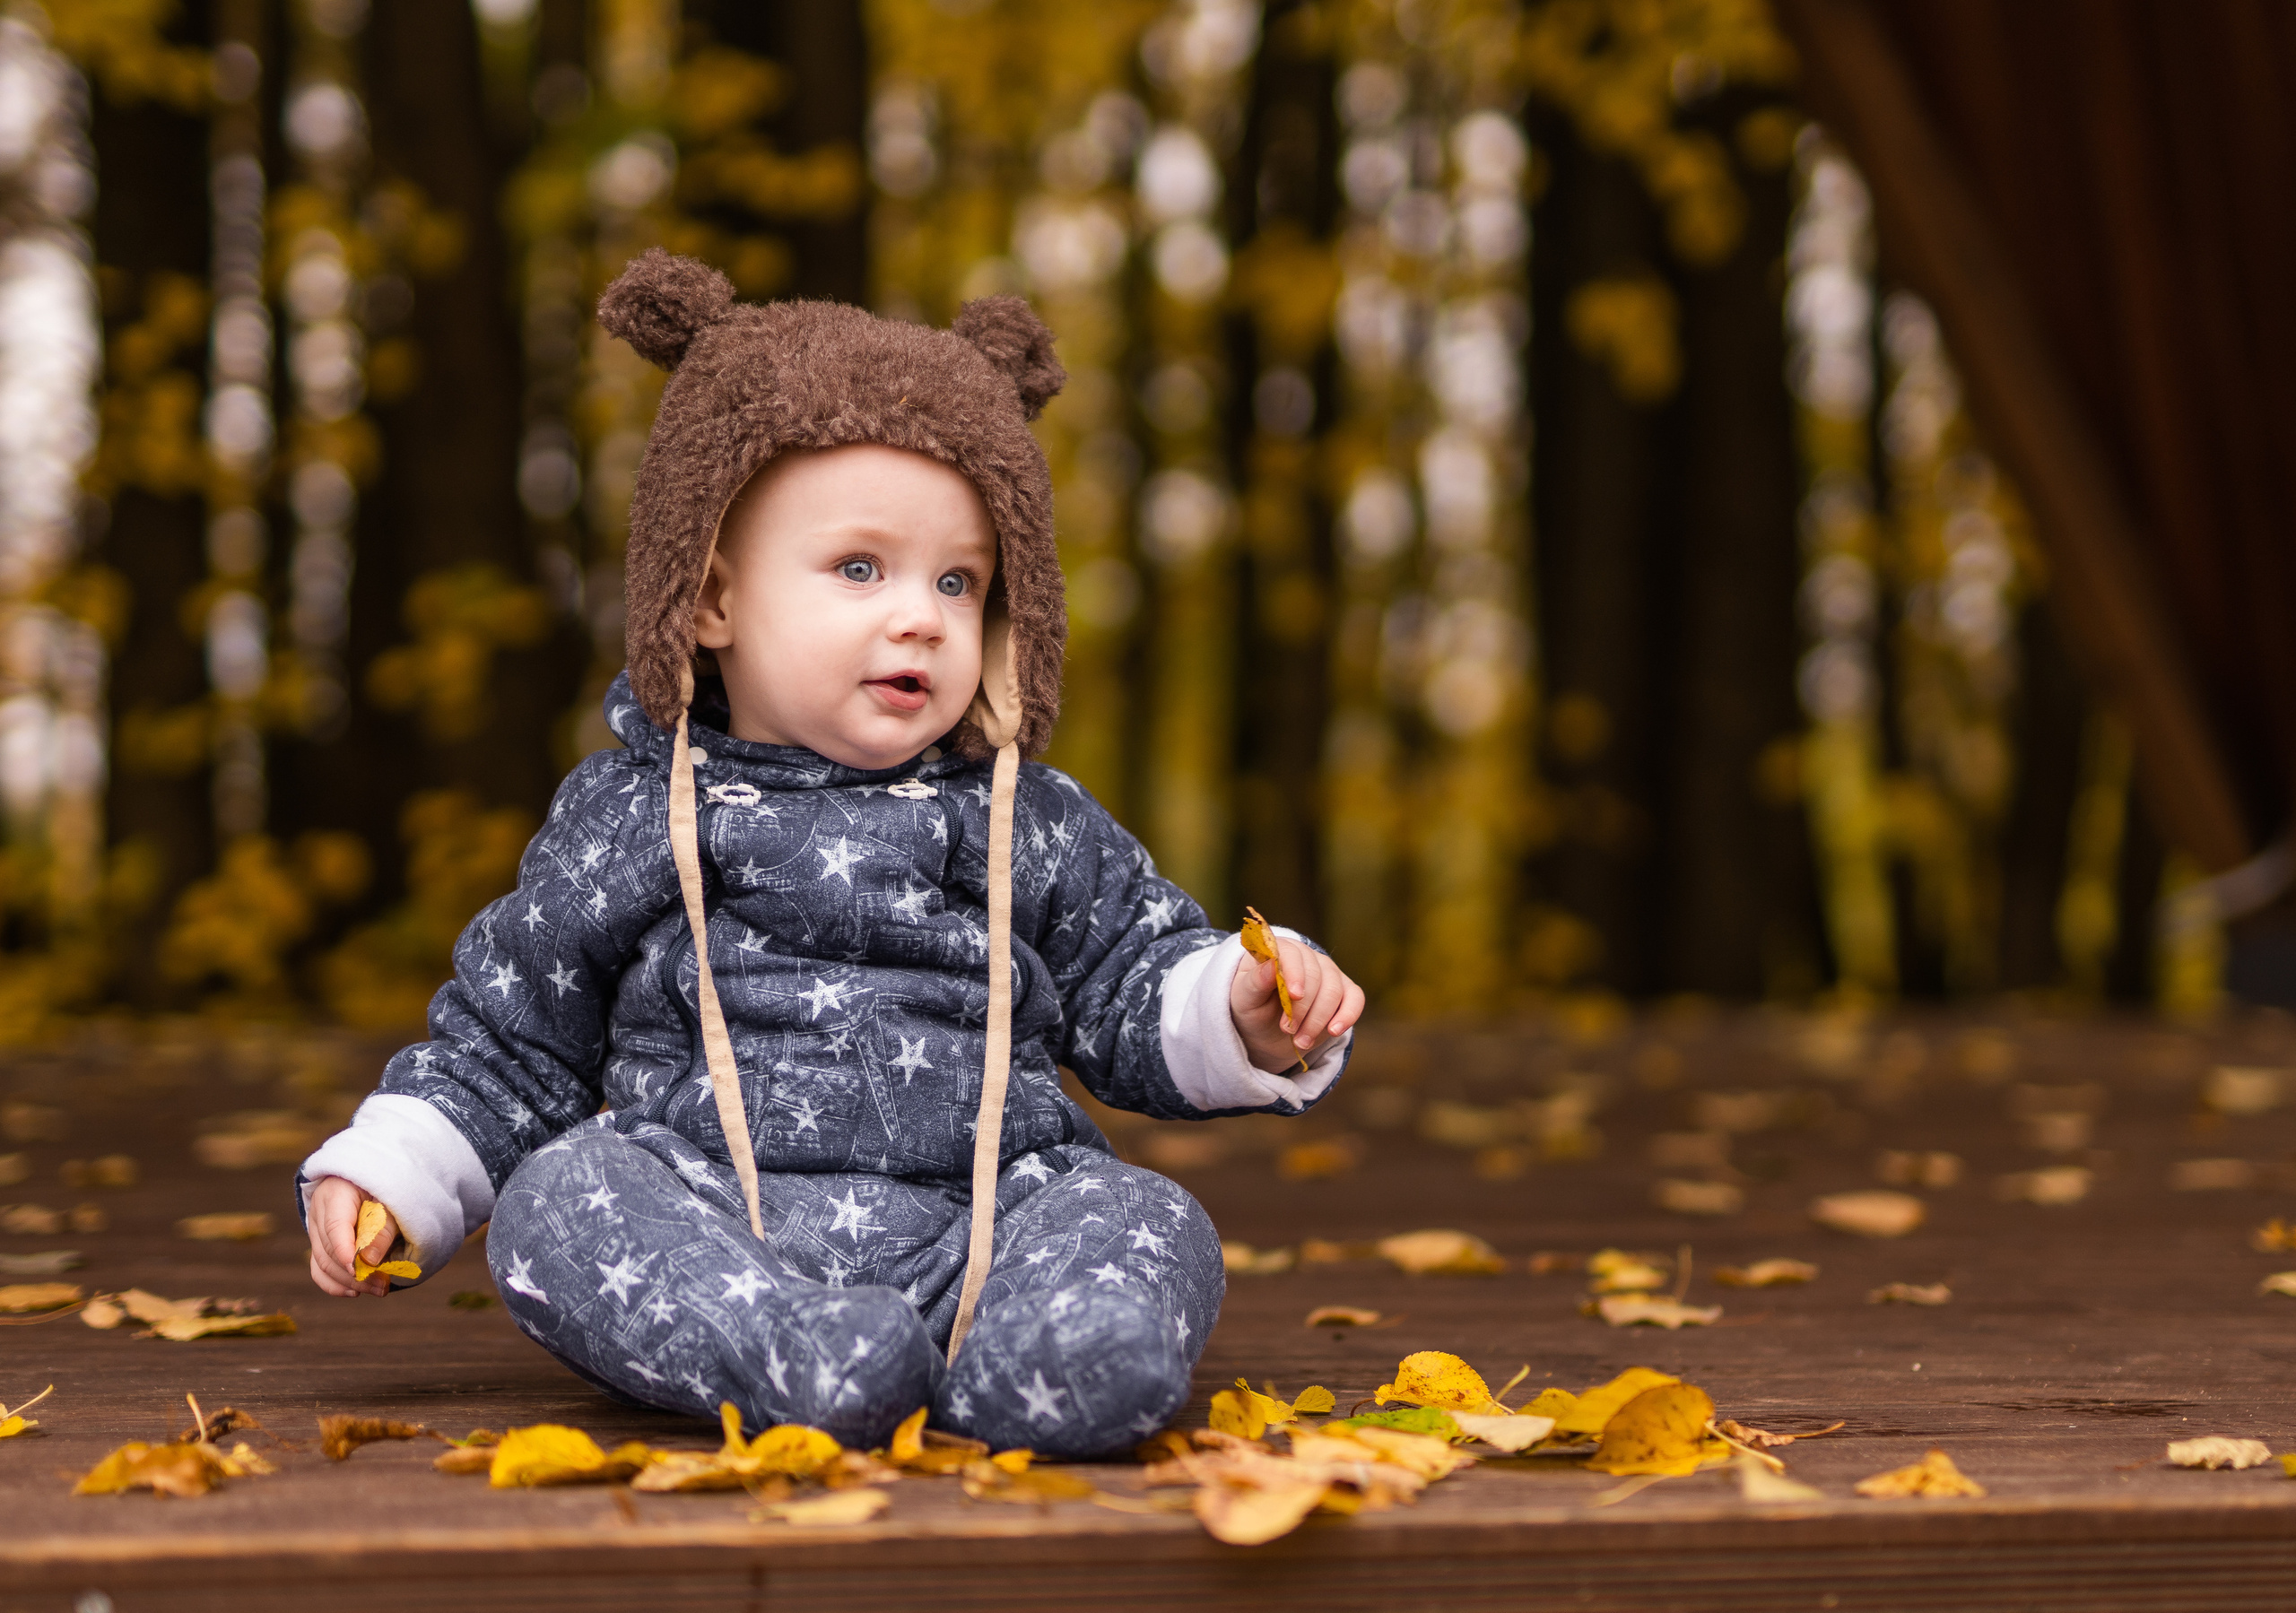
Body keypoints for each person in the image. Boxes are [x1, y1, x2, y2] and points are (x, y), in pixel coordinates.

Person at [295, 250, 1363, 1458]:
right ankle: (782, 1353)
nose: (918, 614)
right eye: (860, 568)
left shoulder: (1020, 813)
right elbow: (511, 1037)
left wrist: (1240, 1006)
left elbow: (1128, 973)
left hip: (992, 1219)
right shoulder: (640, 814)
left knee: (1144, 1213)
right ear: (709, 600)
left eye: (958, 582)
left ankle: (1062, 1357)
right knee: (557, 1202)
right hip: (718, 1222)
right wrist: (396, 1173)